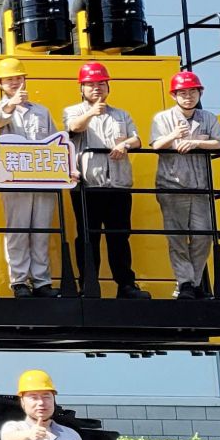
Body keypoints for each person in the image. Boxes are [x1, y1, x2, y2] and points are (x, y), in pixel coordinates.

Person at [64, 62, 148, 298]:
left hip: (118, 185)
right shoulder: (73, 111)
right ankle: (88, 286)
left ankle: (126, 285)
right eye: (90, 84)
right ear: (81, 88)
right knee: (87, 237)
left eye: (101, 83)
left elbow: (137, 139)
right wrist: (91, 112)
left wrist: (125, 144)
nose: (97, 88)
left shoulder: (121, 114)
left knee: (119, 236)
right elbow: (73, 127)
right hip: (87, 186)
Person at [0, 56, 59, 297]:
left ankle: (42, 281)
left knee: (41, 231)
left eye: (18, 78)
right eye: (9, 80)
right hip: (14, 179)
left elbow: (56, 142)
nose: (15, 82)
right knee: (18, 231)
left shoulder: (42, 112)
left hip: (43, 179)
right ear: (0, 84)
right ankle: (19, 281)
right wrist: (12, 104)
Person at [149, 69, 220, 298]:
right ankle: (185, 283)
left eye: (193, 92)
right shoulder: (162, 118)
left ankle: (193, 282)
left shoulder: (208, 118)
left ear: (200, 93)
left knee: (203, 236)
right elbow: (156, 145)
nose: (188, 97)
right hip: (172, 186)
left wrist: (195, 143)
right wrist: (174, 135)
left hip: (200, 187)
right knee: (178, 237)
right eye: (182, 93)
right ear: (174, 95)